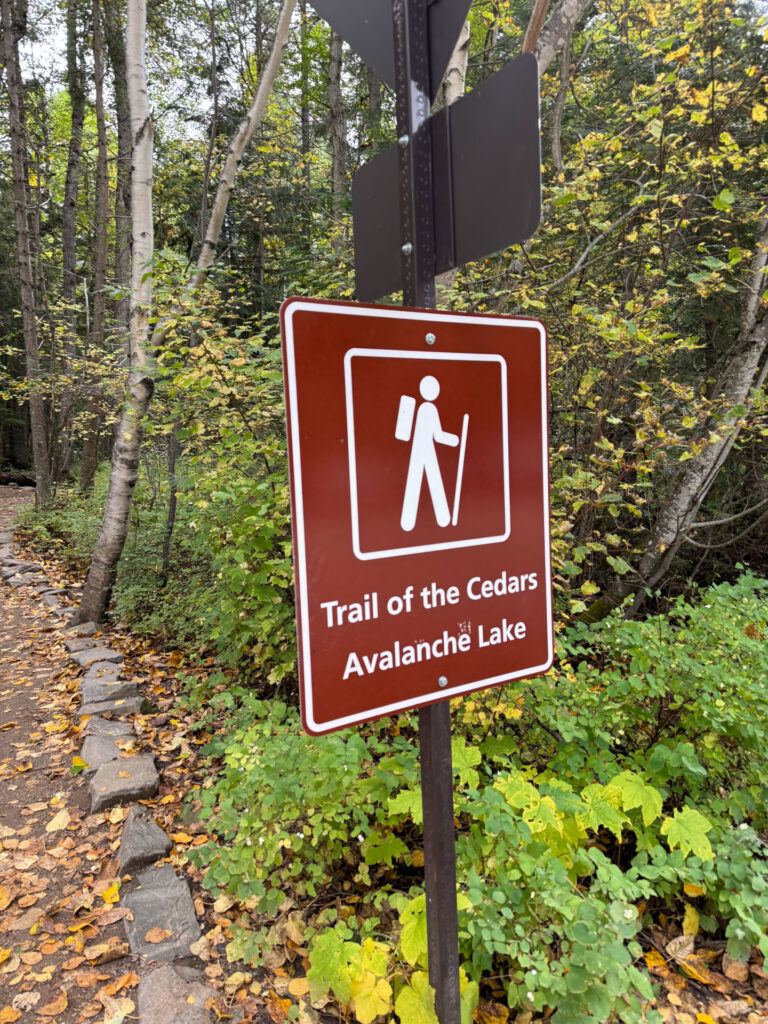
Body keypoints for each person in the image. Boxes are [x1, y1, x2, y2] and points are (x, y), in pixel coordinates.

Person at [400, 375, 459, 531]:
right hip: (424, 451)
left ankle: (409, 522)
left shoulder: (422, 408)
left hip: (421, 451)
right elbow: (438, 435)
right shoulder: (428, 409)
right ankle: (442, 519)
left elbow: (405, 433)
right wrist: (454, 440)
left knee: (417, 483)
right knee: (432, 482)